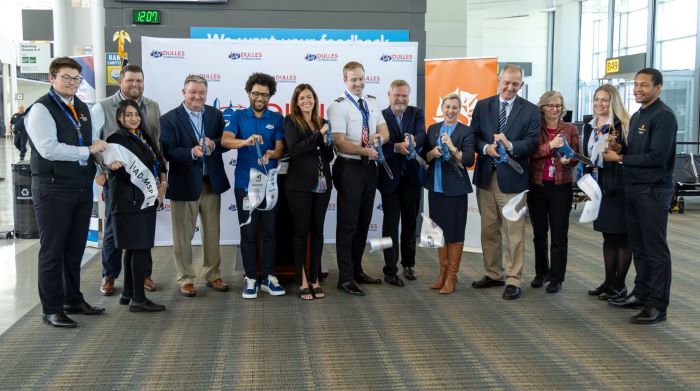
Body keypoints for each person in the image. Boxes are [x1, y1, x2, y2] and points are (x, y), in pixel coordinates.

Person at [24, 57, 110, 328]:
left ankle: (72, 299)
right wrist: (88, 151)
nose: (72, 82)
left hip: (81, 186)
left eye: (76, 78)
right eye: (66, 77)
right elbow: (49, 148)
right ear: (52, 78)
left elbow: (91, 143)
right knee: (53, 251)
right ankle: (51, 308)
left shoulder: (82, 108)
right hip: (53, 188)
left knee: (74, 249)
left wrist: (102, 165)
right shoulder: (41, 109)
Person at [604, 68, 678, 324]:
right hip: (633, 189)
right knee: (639, 248)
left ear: (658, 87)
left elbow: (657, 157)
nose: (637, 89)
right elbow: (636, 150)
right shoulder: (637, 115)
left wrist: (621, 158)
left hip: (653, 191)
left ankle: (658, 305)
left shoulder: (664, 116)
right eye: (636, 84)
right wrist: (619, 148)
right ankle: (642, 293)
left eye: (644, 85)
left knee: (655, 250)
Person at [92, 64, 162, 297]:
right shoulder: (102, 107)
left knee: (142, 233)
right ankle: (110, 275)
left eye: (139, 81)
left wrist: (161, 177)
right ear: (120, 81)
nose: (135, 85)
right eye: (130, 80)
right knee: (114, 230)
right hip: (119, 181)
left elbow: (155, 142)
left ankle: (142, 275)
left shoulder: (152, 107)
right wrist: (100, 171)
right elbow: (92, 143)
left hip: (145, 184)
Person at [471, 64, 540, 300]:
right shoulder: (483, 106)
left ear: (521, 84)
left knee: (514, 233)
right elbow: (474, 136)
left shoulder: (531, 111)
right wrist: (484, 147)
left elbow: (532, 143)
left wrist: (509, 145)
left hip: (514, 180)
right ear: (499, 80)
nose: (510, 87)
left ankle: (513, 278)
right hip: (486, 178)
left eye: (515, 83)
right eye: (506, 82)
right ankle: (493, 273)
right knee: (489, 230)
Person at [160, 75, 230, 297]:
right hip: (184, 184)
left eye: (201, 92)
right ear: (183, 92)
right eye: (193, 92)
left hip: (211, 182)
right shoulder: (169, 119)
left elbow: (225, 143)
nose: (197, 96)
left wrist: (214, 145)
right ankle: (186, 278)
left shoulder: (215, 114)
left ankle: (213, 275)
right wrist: (191, 152)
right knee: (183, 236)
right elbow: (168, 151)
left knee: (212, 233)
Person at [327, 61, 390, 296]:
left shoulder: (372, 102)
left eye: (361, 79)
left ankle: (356, 270)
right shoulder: (338, 106)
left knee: (363, 222)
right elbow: (340, 142)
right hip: (349, 168)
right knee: (348, 224)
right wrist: (366, 150)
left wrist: (379, 140)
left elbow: (385, 130)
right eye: (353, 79)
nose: (358, 83)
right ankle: (344, 278)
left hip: (369, 168)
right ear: (345, 81)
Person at [222, 72, 286, 299]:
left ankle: (269, 276)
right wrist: (246, 141)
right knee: (248, 232)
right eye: (256, 93)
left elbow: (280, 148)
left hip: (269, 185)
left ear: (270, 96)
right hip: (245, 186)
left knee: (269, 232)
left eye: (265, 94)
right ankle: (250, 277)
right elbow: (226, 139)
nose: (260, 97)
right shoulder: (237, 115)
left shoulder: (277, 118)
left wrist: (271, 153)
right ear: (249, 93)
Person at [106, 100, 167, 312]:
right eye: (129, 115)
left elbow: (159, 161)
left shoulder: (144, 136)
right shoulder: (116, 139)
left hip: (144, 201)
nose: (134, 118)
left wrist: (162, 185)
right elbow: (122, 172)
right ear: (120, 117)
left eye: (136, 114)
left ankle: (128, 294)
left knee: (133, 249)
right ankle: (139, 300)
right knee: (139, 248)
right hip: (130, 202)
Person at [283, 84, 334, 300]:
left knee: (318, 231)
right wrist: (317, 135)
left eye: (310, 97)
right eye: (302, 97)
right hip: (298, 185)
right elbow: (295, 150)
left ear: (315, 100)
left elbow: (329, 155)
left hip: (322, 184)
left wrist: (326, 140)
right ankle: (301, 280)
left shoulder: (322, 122)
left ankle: (314, 278)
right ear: (296, 101)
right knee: (301, 231)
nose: (306, 101)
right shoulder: (290, 121)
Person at [582, 85, 632, 301]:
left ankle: (620, 285)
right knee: (607, 236)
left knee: (621, 238)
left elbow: (627, 155)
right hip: (598, 187)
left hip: (618, 188)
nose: (599, 104)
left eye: (604, 100)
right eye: (596, 99)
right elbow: (589, 157)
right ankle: (609, 281)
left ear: (613, 102)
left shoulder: (623, 126)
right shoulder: (589, 126)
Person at [527, 91, 579, 294]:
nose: (555, 109)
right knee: (539, 233)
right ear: (543, 107)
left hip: (561, 186)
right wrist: (550, 146)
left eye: (558, 105)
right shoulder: (535, 128)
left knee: (559, 234)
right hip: (538, 185)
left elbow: (576, 155)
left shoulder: (570, 128)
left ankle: (557, 277)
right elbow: (529, 153)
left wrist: (570, 160)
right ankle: (542, 272)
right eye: (550, 105)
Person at [423, 93, 475, 294]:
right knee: (438, 232)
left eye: (455, 107)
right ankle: (442, 274)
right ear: (441, 109)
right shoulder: (433, 129)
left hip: (456, 190)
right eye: (447, 107)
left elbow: (469, 160)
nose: (450, 111)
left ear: (459, 110)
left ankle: (452, 277)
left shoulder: (466, 131)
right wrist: (432, 153)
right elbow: (425, 157)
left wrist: (452, 148)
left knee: (454, 233)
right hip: (435, 188)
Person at [378, 80, 426, 286]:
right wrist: (396, 148)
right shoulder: (380, 115)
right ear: (389, 95)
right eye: (397, 95)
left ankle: (409, 264)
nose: (401, 99)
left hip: (412, 178)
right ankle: (390, 269)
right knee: (389, 226)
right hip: (390, 178)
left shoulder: (416, 112)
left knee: (410, 223)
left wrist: (414, 141)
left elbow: (422, 134)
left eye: (404, 95)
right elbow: (378, 141)